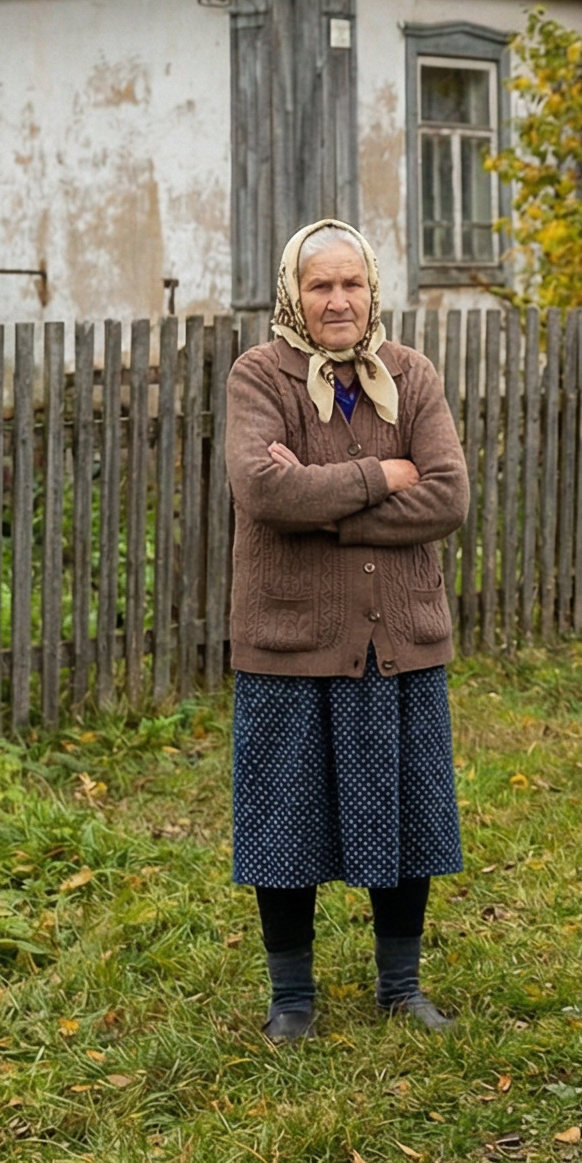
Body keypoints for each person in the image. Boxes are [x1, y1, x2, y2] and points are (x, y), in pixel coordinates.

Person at [224, 219, 470, 1043]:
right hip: (290, 643)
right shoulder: (261, 376)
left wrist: (326, 510)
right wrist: (378, 476)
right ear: (292, 294)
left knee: (406, 812)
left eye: (352, 284)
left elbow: (446, 497)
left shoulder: (411, 375)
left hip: (396, 636)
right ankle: (292, 999)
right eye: (320, 285)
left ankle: (401, 987)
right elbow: (263, 491)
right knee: (284, 824)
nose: (338, 301)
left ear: (374, 291)